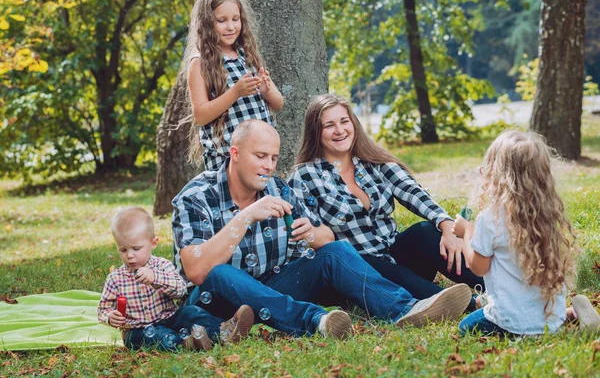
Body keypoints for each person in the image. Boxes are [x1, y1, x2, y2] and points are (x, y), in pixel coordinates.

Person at [171, 119, 473, 340]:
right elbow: (197, 271)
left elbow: (327, 239)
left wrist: (311, 233)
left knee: (336, 250)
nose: (268, 166)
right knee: (223, 273)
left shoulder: (277, 188)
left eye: (274, 158)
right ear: (235, 154)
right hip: (216, 301)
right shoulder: (197, 196)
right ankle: (314, 320)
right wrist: (245, 217)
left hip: (269, 287)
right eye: (260, 156)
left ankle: (404, 309)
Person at [289, 94, 483, 307]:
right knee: (370, 263)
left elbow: (412, 192)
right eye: (329, 125)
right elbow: (311, 238)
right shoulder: (305, 176)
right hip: (356, 274)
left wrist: (446, 225)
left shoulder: (373, 162)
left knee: (425, 232)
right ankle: (468, 304)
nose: (340, 130)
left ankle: (495, 284)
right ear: (316, 132)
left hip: (395, 255)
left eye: (344, 121)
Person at [452, 130, 579, 336]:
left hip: (512, 323)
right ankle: (565, 315)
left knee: (465, 328)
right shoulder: (546, 214)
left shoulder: (490, 218)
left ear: (496, 174)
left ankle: (530, 320)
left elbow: (478, 267)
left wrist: (466, 231)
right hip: (550, 320)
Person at [98, 207, 254, 350]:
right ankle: (188, 343)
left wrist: (156, 278)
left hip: (170, 318)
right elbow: (103, 309)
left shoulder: (162, 266)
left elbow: (179, 290)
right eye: (123, 250)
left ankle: (223, 331)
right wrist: (110, 317)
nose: (130, 255)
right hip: (137, 330)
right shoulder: (116, 278)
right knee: (160, 337)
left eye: (136, 248)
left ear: (153, 243)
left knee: (190, 312)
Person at [185, 0, 284, 171]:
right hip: (226, 159)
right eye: (221, 20)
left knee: (260, 201)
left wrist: (267, 90)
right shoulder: (200, 63)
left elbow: (278, 104)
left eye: (235, 19)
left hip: (259, 156)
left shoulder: (247, 54)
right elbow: (200, 115)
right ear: (206, 23)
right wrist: (236, 92)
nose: (230, 27)